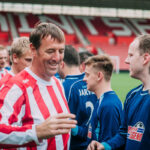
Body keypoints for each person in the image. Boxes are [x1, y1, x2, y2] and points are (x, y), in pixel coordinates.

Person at [0, 22, 77, 149]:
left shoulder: (57, 83)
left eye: (61, 51)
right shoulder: (17, 87)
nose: (57, 58)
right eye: (50, 51)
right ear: (33, 50)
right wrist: (36, 132)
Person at [87, 34, 150, 150]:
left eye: (131, 55)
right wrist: (105, 145)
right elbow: (123, 134)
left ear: (145, 58)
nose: (126, 60)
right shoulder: (132, 95)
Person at [83, 55, 122, 149]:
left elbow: (109, 144)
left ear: (99, 76)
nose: (84, 78)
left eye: (87, 74)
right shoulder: (102, 100)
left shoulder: (108, 105)